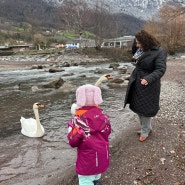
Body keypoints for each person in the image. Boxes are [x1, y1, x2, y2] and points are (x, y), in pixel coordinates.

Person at [124, 30, 167, 142]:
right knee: (138, 107)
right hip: (137, 81)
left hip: (149, 84)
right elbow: (134, 55)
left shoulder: (159, 52)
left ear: (146, 42)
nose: (137, 45)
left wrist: (148, 79)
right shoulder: (141, 49)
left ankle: (145, 131)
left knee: (145, 109)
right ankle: (147, 128)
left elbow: (160, 69)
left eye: (139, 43)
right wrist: (136, 40)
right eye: (137, 43)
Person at [67, 84, 111, 185]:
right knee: (96, 174)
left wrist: (73, 128)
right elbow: (107, 132)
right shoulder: (104, 117)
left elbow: (72, 142)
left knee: (86, 181)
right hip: (102, 155)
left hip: (87, 160)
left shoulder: (77, 120)